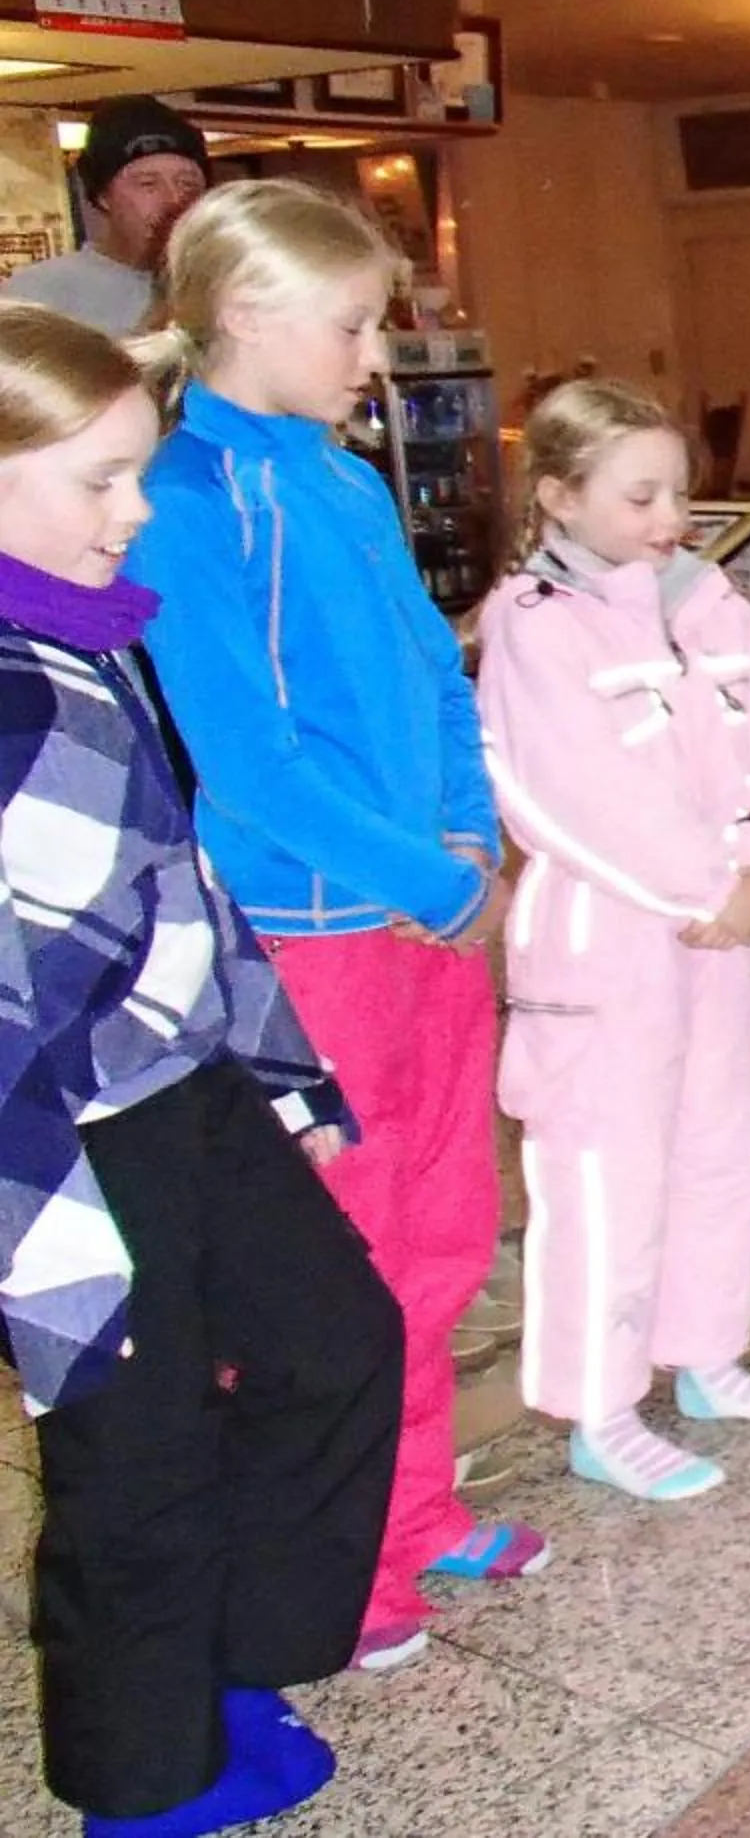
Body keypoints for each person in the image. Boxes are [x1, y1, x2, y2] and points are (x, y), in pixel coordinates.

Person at [122, 179, 546, 1675]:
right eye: (352, 322)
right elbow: (248, 760)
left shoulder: (343, 479)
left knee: (438, 1231)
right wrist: (431, 882)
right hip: (314, 939)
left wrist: (466, 835)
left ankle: (415, 1510)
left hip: (425, 914)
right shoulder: (185, 498)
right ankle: (330, 1565)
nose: (376, 354)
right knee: (328, 1265)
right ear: (244, 313)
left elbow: (436, 676)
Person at [0, 303, 401, 1838]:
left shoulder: (89, 636)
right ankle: (137, 1779)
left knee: (334, 1338)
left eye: (141, 476)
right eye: (96, 479)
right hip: (61, 1139)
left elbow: (181, 879)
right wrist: (49, 1252)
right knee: (130, 1448)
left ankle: (230, 1655)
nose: (131, 513)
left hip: (187, 1084)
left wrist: (281, 1074)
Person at [475, 380, 750, 1503]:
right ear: (560, 499)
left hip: (721, 932)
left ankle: (708, 1355)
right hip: (611, 935)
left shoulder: (708, 599)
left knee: (720, 1150)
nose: (670, 515)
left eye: (678, 490)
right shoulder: (533, 624)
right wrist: (705, 888)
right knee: (604, 1173)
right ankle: (599, 1404)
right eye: (640, 496)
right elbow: (571, 792)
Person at [2, 96, 211, 338]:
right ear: (103, 196)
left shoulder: (230, 284)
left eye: (187, 184)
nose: (174, 199)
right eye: (148, 184)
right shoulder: (37, 296)